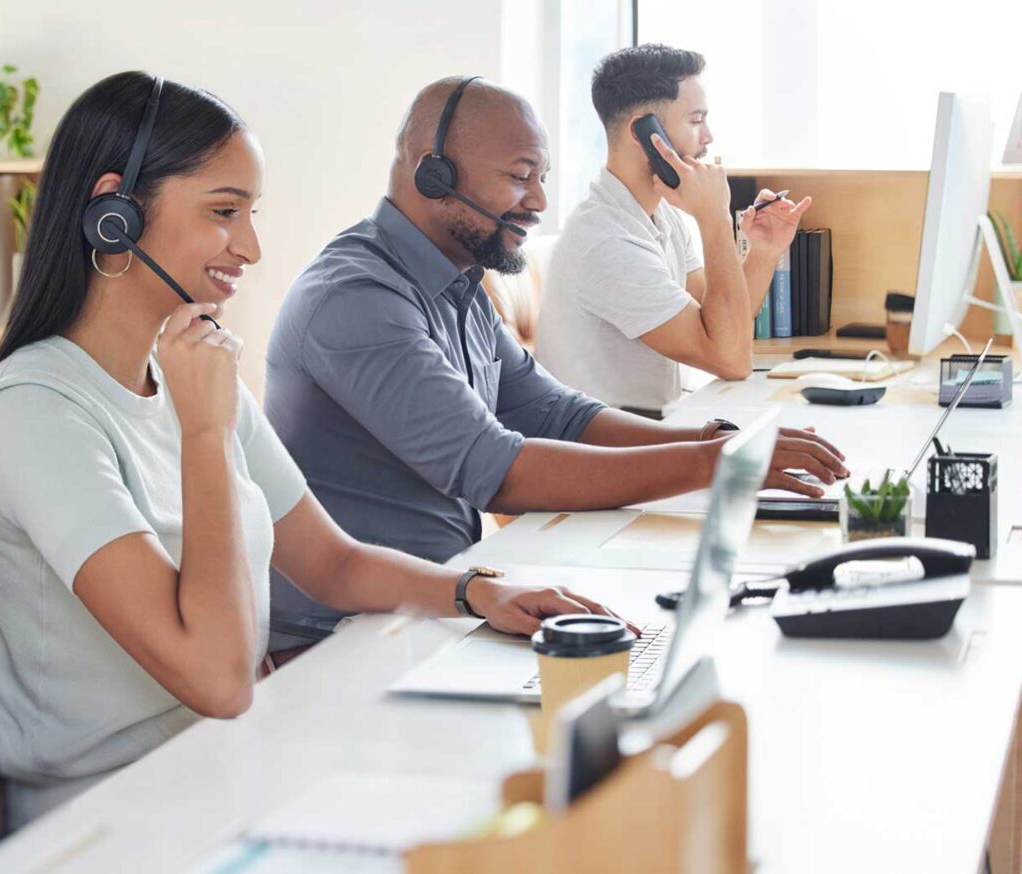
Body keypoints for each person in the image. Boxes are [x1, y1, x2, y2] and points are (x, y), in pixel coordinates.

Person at [0, 71, 617, 829]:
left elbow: (331, 562)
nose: (253, 246)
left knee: (525, 787)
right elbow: (218, 678)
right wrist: (204, 434)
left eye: (251, 213)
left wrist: (475, 594)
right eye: (224, 212)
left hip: (237, 762)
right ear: (116, 212)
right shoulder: (36, 413)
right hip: (121, 814)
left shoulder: (189, 373)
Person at [264, 76, 845, 651]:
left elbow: (555, 414)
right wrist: (713, 464)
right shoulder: (358, 299)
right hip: (344, 636)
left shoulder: (453, 279)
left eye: (542, 179)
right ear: (431, 173)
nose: (539, 202)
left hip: (449, 598)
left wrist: (712, 439)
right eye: (520, 178)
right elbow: (498, 472)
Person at [537, 44, 812, 414]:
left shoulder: (659, 214)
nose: (709, 136)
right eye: (696, 120)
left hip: (652, 431)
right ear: (645, 133)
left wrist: (763, 251)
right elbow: (730, 358)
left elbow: (717, 324)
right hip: (609, 453)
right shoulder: (606, 240)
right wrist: (714, 218)